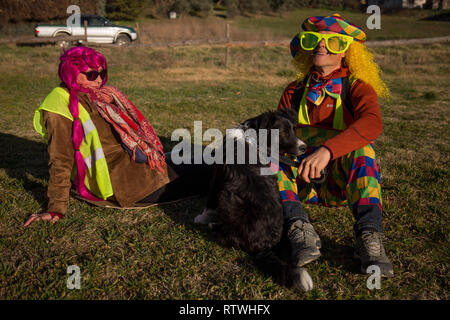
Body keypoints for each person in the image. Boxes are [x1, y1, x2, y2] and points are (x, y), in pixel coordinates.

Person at [25, 46, 210, 227]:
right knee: (212, 169)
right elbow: (60, 160)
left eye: (102, 73)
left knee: (198, 159)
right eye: (91, 74)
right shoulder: (58, 108)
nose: (99, 80)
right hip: (126, 184)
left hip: (135, 165)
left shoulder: (95, 96)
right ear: (70, 73)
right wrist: (56, 208)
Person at [276, 14, 394, 277]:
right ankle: (298, 227)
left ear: (346, 53)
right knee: (267, 156)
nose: (322, 45)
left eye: (333, 42)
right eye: (315, 40)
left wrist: (327, 151)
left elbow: (373, 123)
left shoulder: (358, 88)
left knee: (364, 150)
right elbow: (278, 136)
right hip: (299, 183)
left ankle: (370, 237)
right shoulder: (294, 91)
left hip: (342, 185)